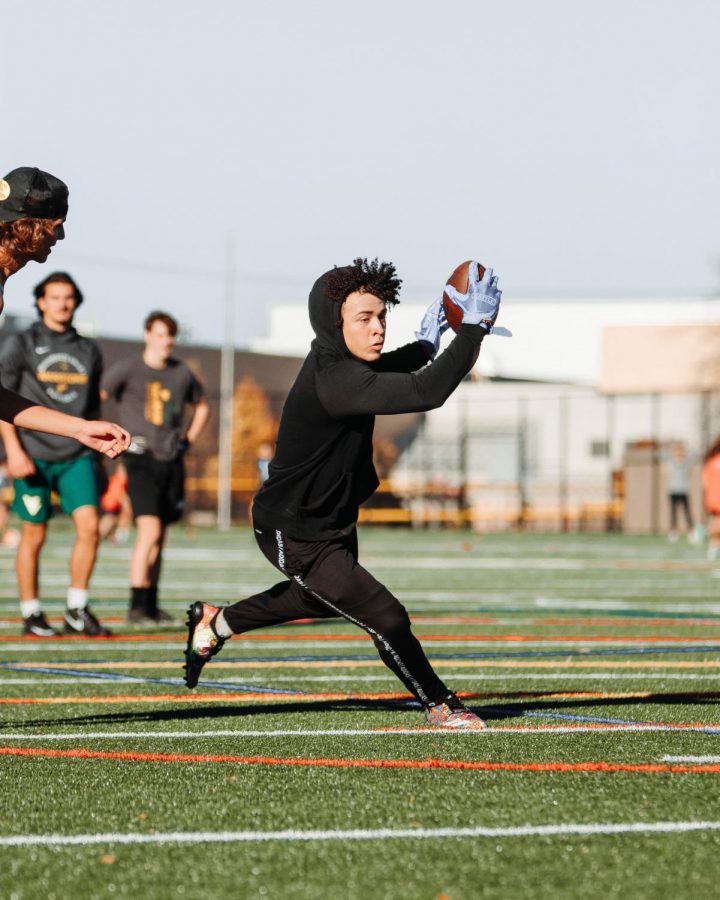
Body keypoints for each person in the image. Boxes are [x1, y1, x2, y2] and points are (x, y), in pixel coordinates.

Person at [184, 257, 502, 730]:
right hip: (292, 529)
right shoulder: (336, 380)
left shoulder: (343, 364)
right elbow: (423, 393)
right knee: (385, 615)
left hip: (327, 520)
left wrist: (425, 345)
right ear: (335, 323)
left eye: (381, 317)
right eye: (364, 318)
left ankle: (217, 622)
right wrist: (470, 332)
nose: (377, 329)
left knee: (317, 598)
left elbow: (391, 370)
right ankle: (441, 703)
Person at [0, 167, 130, 635]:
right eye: (57, 222)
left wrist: (78, 428)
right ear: (27, 225)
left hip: (68, 453)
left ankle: (74, 608)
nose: (62, 234)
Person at [0, 272, 114, 636]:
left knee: (91, 527)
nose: (62, 303)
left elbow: (93, 408)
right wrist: (13, 450)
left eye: (68, 297)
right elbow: (2, 400)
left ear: (75, 302)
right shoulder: (22, 342)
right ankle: (31, 613)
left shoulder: (88, 349)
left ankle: (77, 608)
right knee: (34, 533)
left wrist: (99, 449)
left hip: (76, 454)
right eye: (54, 297)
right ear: (40, 301)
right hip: (32, 452)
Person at [101, 311, 210, 623]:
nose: (166, 342)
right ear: (148, 334)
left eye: (171, 336)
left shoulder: (181, 372)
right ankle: (136, 605)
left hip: (170, 458)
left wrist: (188, 438)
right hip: (139, 457)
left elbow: (202, 406)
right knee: (148, 530)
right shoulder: (128, 368)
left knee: (161, 535)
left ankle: (150, 602)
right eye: (161, 334)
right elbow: (99, 395)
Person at [665, 441, 695, 542]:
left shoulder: (687, 462)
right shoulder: (671, 462)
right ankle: (673, 532)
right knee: (673, 512)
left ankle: (691, 532)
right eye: (677, 451)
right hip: (673, 490)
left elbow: (693, 455)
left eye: (681, 451)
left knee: (687, 512)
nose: (679, 453)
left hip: (684, 490)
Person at [702, 438, 720, 560]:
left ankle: (713, 547)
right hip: (716, 496)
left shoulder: (710, 461)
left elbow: (704, 481)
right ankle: (714, 547)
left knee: (715, 521)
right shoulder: (712, 461)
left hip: (712, 496)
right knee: (716, 522)